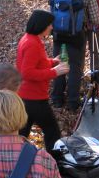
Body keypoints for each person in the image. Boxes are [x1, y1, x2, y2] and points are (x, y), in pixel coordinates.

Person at [17, 10, 69, 154]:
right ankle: (56, 163)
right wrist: (55, 72)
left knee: (21, 134)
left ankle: (14, 161)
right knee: (52, 131)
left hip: (26, 96)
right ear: (41, 25)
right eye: (49, 24)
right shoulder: (32, 43)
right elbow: (27, 72)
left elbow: (37, 63)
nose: (52, 27)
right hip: (34, 98)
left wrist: (53, 62)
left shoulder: (30, 39)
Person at [50, 0, 99, 111]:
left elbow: (52, 8)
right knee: (74, 68)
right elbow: (96, 19)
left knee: (59, 64)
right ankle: (72, 102)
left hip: (58, 34)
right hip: (76, 36)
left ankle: (57, 98)